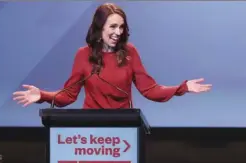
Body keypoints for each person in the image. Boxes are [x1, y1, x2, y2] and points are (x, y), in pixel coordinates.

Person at [13, 3, 212, 109]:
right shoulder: (83, 55)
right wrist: (43, 96)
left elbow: (150, 89)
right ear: (100, 29)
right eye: (113, 26)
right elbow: (68, 95)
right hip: (89, 133)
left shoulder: (130, 53)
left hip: (123, 130)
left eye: (121, 26)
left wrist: (182, 88)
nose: (118, 32)